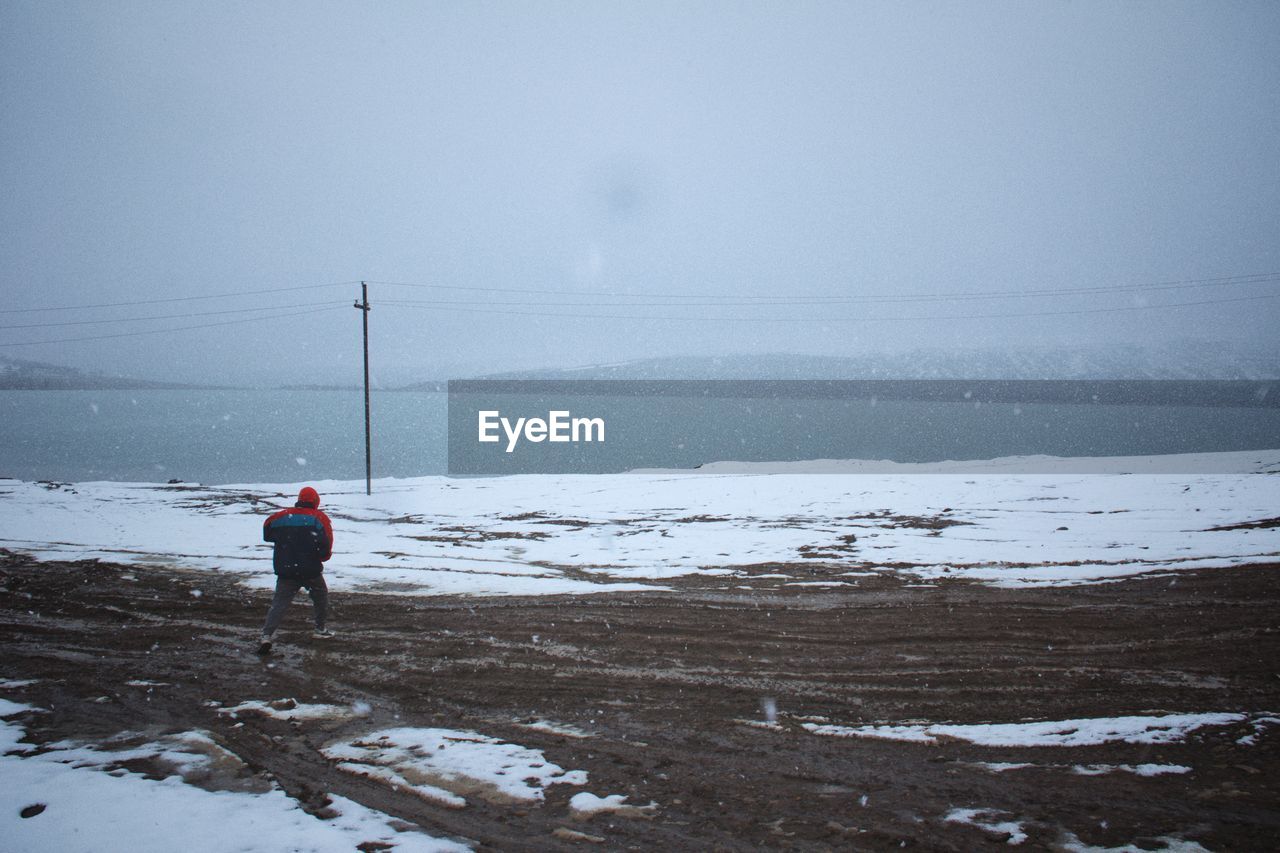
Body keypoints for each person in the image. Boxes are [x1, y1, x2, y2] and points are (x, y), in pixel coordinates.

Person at [257, 486, 334, 654]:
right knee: (320, 596)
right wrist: (321, 556)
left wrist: (286, 541)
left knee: (279, 603)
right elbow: (326, 544)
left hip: (286, 570)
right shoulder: (318, 518)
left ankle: (266, 635)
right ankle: (320, 628)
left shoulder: (282, 516)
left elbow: (267, 532)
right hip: (310, 570)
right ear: (315, 501)